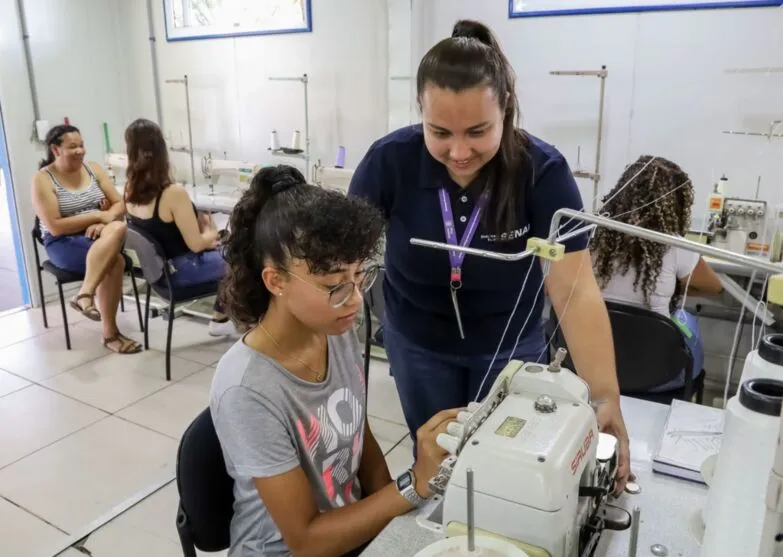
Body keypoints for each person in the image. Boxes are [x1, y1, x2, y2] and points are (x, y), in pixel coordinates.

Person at [348, 19, 631, 491]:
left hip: (511, 348)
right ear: (420, 112)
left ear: (506, 111)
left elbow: (575, 291)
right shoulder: (387, 162)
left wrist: (605, 397)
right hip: (419, 345)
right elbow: (343, 263)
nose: (459, 151)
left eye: (478, 131)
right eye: (439, 132)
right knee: (441, 466)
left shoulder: (544, 173)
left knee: (507, 467)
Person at [210, 165, 459, 557]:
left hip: (350, 532)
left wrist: (406, 521)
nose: (356, 299)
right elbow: (307, 541)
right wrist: (413, 485)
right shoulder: (247, 389)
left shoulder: (334, 329)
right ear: (276, 281)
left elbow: (358, 436)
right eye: (334, 286)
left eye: (360, 277)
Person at [592, 155, 724, 391]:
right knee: (687, 320)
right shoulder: (676, 246)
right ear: (675, 204)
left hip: (592, 365)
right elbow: (714, 287)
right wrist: (670, 287)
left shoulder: (593, 237)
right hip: (657, 374)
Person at [31, 124, 141, 354]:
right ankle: (110, 334)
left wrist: (104, 220)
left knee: (117, 226)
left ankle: (85, 294)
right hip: (62, 243)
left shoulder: (93, 169)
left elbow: (120, 203)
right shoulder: (43, 179)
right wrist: (96, 215)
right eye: (73, 147)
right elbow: (55, 226)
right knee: (116, 261)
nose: (80, 151)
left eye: (81, 145)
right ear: (56, 149)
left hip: (99, 236)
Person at [122, 118, 237, 337]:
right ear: (162, 151)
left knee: (233, 250)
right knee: (248, 258)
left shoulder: (129, 190)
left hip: (158, 274)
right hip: (182, 271)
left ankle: (221, 317)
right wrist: (211, 232)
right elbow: (195, 245)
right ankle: (227, 318)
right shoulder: (173, 193)